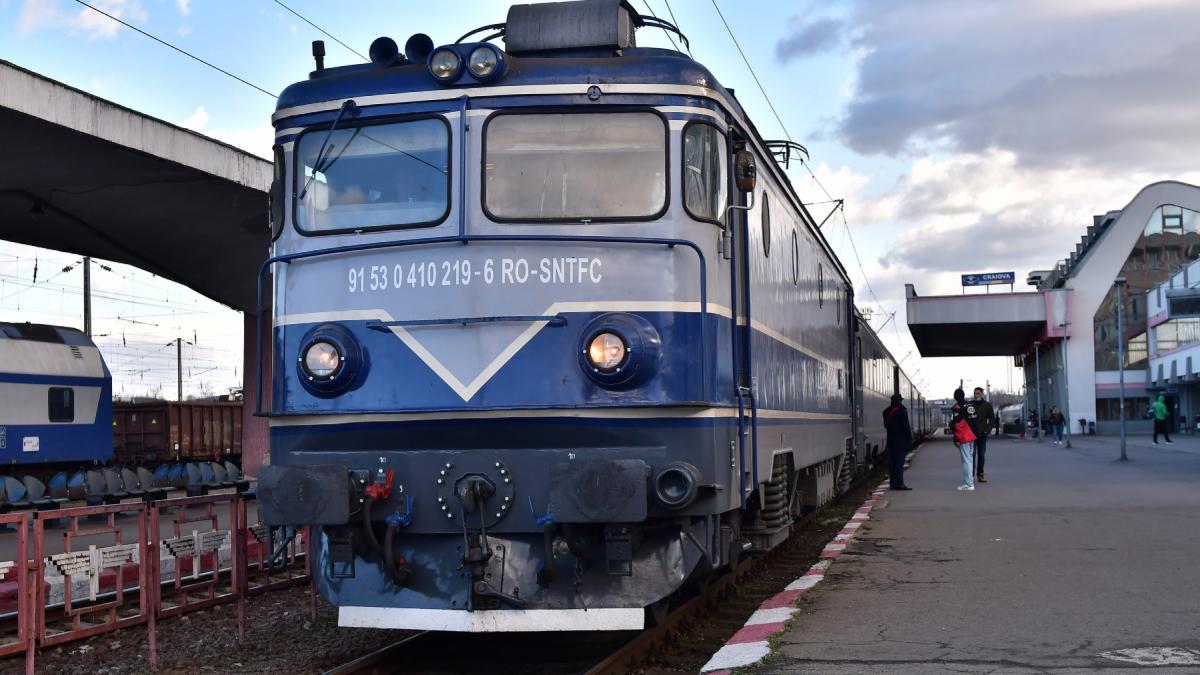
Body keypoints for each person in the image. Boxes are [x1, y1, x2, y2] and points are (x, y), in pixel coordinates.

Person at [964, 387, 995, 483]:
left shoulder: (987, 405)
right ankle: (971, 476)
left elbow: (992, 419)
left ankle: (980, 474)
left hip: (982, 434)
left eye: (978, 393)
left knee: (981, 455)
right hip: (971, 435)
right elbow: (965, 418)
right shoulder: (969, 405)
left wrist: (987, 430)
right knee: (971, 455)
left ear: (982, 394)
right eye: (975, 393)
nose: (976, 395)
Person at [883, 393, 912, 491]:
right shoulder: (902, 411)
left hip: (891, 441)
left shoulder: (886, 412)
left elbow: (886, 426)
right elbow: (906, 428)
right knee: (899, 464)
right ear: (899, 401)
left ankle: (893, 484)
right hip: (901, 442)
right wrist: (909, 440)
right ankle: (900, 484)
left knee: (892, 463)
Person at [951, 388, 977, 491]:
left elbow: (958, 425)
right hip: (972, 436)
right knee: (970, 459)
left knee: (966, 460)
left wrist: (957, 439)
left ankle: (968, 484)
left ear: (955, 397)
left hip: (964, 437)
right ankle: (970, 482)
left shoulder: (957, 407)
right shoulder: (971, 405)